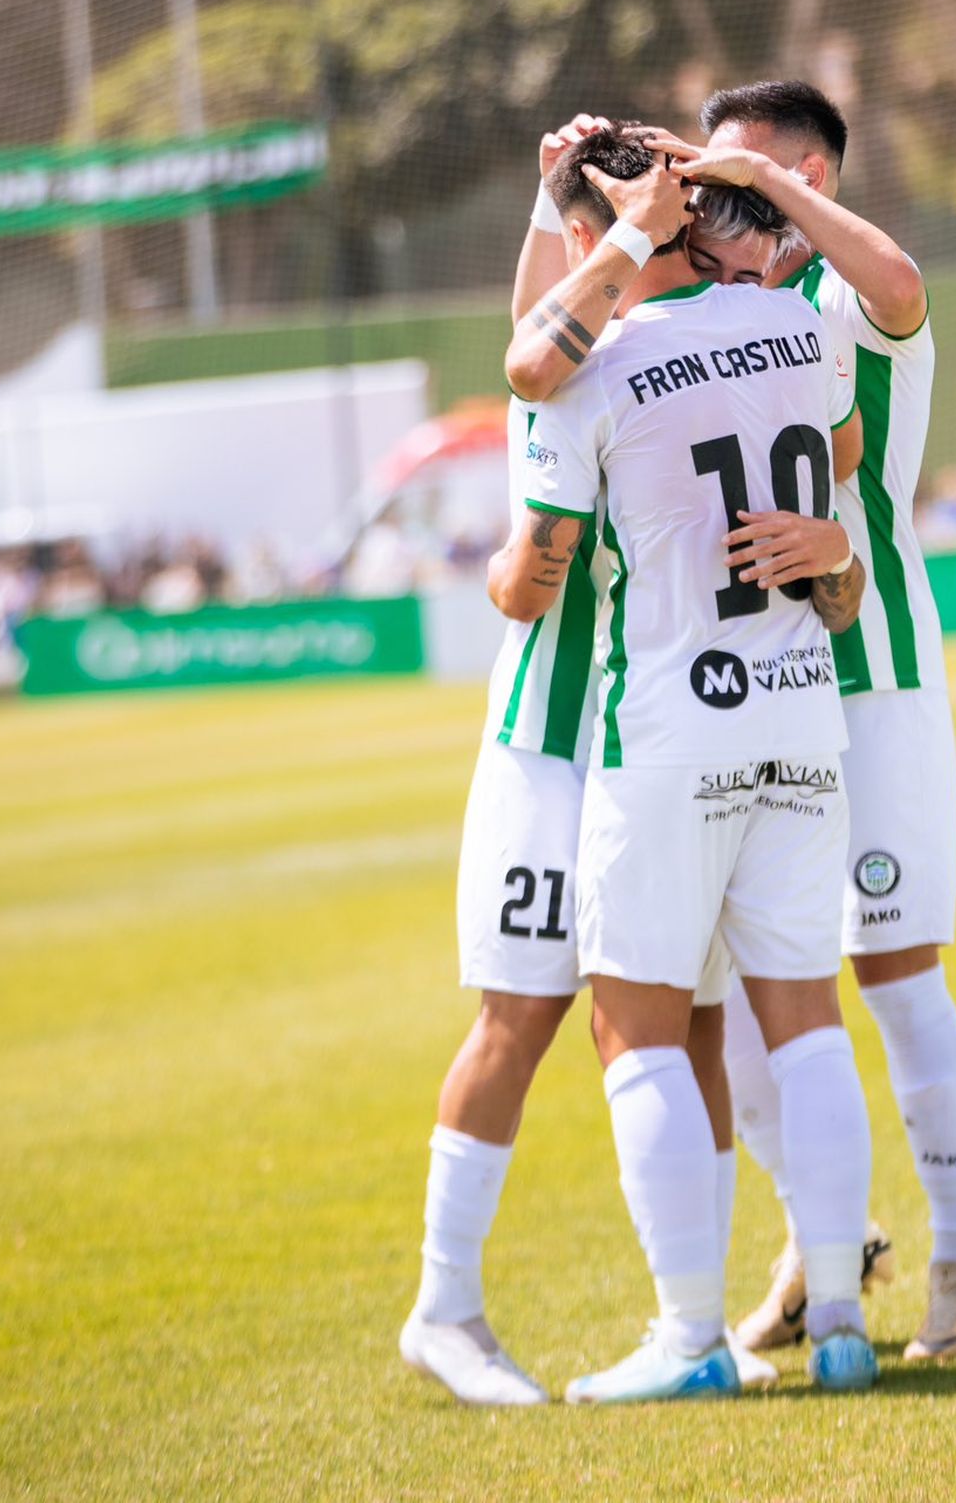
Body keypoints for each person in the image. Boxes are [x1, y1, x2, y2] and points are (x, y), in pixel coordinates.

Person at [493, 125, 878, 1405]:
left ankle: (688, 1335)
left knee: (638, 1026)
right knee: (806, 1018)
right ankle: (837, 1322)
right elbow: (839, 485)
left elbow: (528, 380)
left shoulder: (585, 374)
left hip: (664, 730)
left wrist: (620, 234)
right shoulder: (806, 329)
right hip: (797, 709)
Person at [400, 130, 784, 1406]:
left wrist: (524, 567)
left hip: (659, 743)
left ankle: (700, 1318)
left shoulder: (615, 359)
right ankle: (444, 1307)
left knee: (697, 1023)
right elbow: (531, 347)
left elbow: (523, 562)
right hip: (550, 751)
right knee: (522, 1014)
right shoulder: (571, 360)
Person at [679, 79, 956, 1362]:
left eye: (745, 169)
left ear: (808, 170)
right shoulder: (716, 306)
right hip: (753, 693)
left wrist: (777, 193)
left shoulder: (850, 298)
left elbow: (905, 278)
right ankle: (828, 1238)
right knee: (741, 993)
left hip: (873, 680)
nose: (723, 190)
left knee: (895, 968)